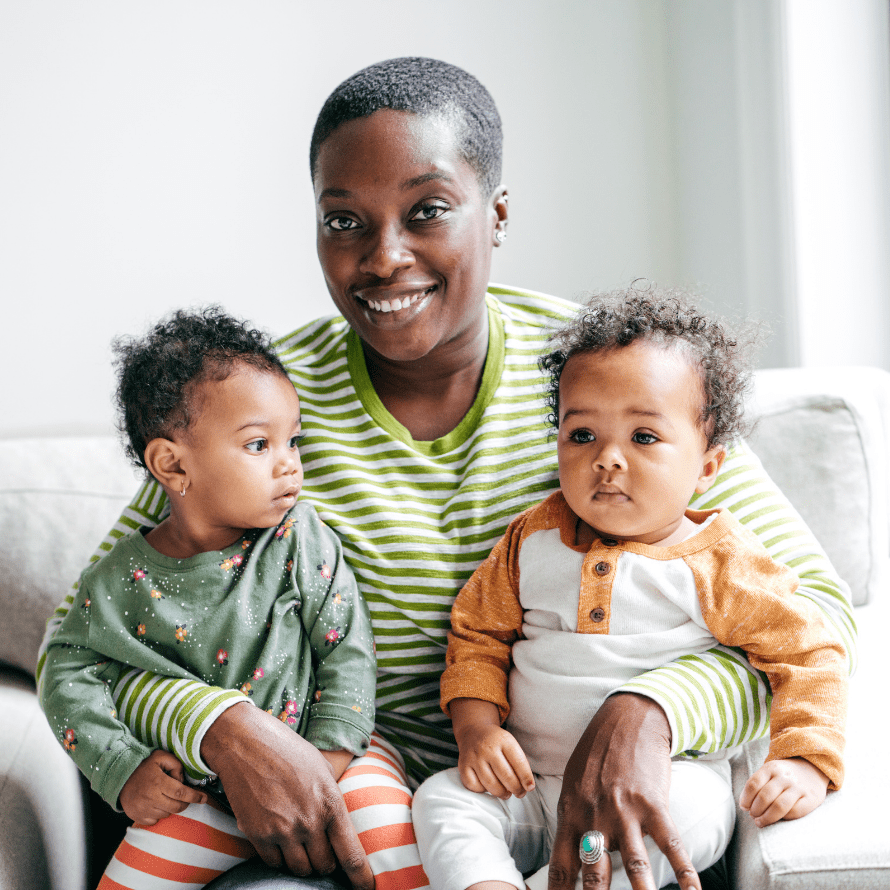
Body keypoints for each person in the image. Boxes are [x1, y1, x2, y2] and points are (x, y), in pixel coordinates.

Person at [37, 58, 855, 890]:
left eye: (427, 211)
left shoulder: (613, 382)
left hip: (608, 807)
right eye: (343, 220)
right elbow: (89, 636)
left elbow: (819, 617)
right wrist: (221, 725)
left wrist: (653, 709)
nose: (384, 256)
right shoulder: (255, 407)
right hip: (349, 815)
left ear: (496, 214)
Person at [411, 290, 848, 890]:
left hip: (659, 783)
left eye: (644, 438)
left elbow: (808, 651)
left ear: (708, 466)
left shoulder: (723, 561)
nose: (608, 460)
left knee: (697, 814)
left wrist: (805, 758)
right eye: (582, 434)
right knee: (442, 800)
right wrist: (477, 729)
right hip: (530, 786)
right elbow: (477, 635)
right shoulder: (531, 539)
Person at [39, 309, 377, 889]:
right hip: (200, 798)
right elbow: (65, 672)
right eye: (258, 444)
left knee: (406, 854)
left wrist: (327, 763)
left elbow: (347, 648)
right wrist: (120, 768)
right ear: (172, 464)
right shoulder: (118, 580)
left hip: (336, 772)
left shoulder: (300, 539)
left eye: (292, 439)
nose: (289, 462)